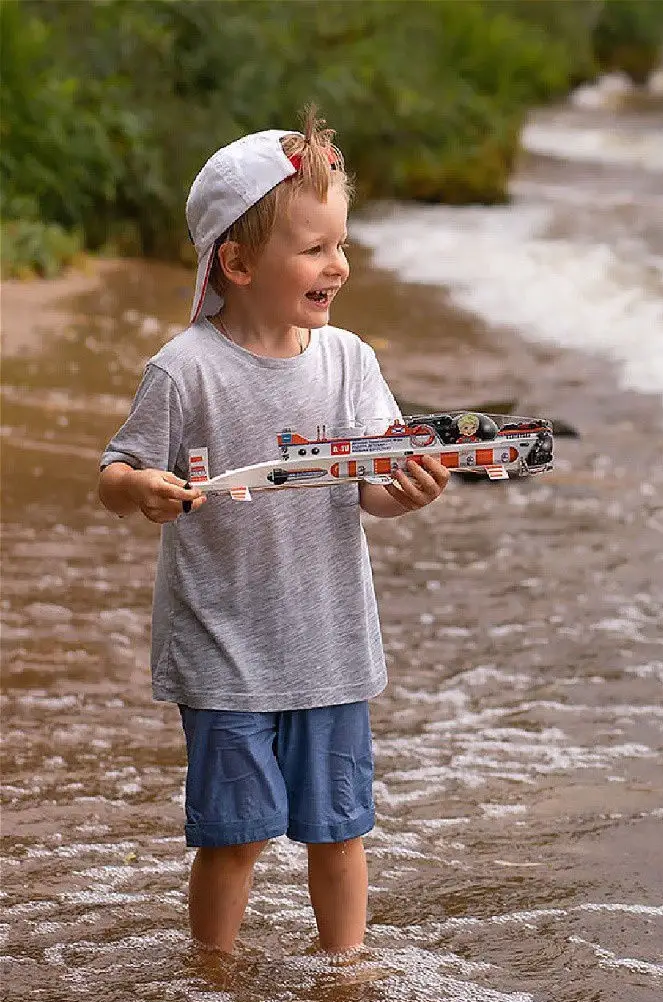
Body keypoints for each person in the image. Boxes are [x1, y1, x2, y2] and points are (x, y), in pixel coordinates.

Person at [98, 110, 450, 957]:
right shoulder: (185, 369)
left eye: (342, 244)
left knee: (340, 830)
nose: (341, 264)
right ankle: (212, 979)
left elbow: (372, 488)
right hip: (225, 648)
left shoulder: (349, 362)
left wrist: (410, 493)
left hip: (329, 644)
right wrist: (141, 489)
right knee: (232, 837)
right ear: (239, 261)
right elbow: (114, 471)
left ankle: (346, 970)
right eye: (316, 248)